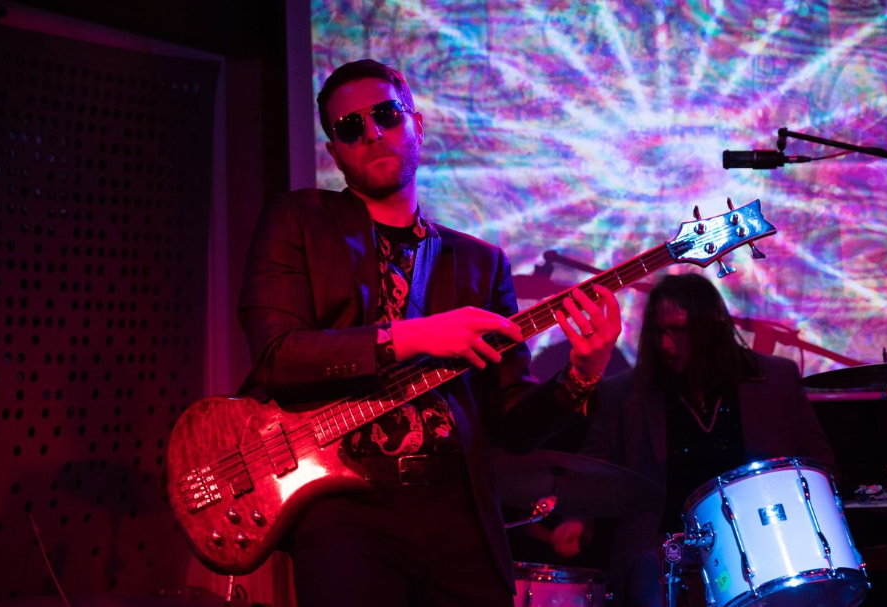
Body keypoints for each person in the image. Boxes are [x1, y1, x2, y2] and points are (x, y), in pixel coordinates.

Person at [236, 59, 622, 607]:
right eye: (351, 127)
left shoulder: (481, 263)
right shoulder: (298, 220)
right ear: (334, 153)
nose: (372, 132)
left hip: (458, 507)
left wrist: (583, 374)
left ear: (416, 124)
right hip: (345, 506)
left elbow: (512, 424)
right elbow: (278, 356)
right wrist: (415, 337)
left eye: (386, 115)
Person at [551, 272, 837, 607]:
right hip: (666, 546)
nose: (665, 345)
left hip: (765, 539)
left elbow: (819, 464)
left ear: (711, 328)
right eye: (658, 332)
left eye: (678, 331)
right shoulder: (624, 393)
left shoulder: (775, 378)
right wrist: (576, 518)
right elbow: (592, 467)